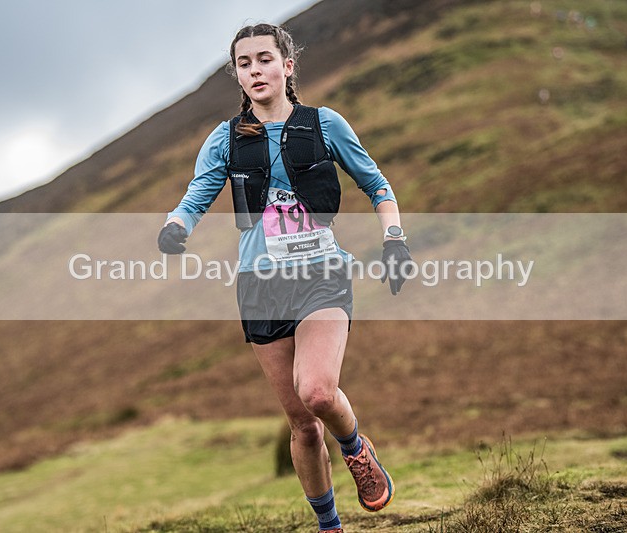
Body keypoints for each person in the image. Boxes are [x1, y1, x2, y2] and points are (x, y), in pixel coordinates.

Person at [158, 23, 412, 533]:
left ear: (287, 66)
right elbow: (199, 191)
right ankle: (329, 526)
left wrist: (395, 239)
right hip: (260, 285)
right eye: (244, 63)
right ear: (237, 74)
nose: (255, 70)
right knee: (302, 424)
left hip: (322, 274)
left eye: (264, 59)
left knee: (318, 393)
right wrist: (176, 225)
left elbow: (376, 184)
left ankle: (358, 450)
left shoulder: (325, 124)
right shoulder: (226, 139)